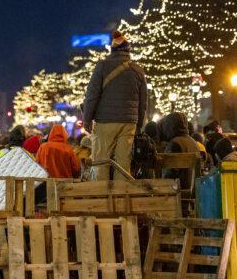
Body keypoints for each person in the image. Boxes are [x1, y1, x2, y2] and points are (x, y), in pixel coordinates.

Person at [82, 30, 147, 180]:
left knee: (101, 162)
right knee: (124, 164)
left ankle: (102, 199)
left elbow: (92, 96)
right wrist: (138, 124)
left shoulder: (102, 66)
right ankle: (121, 199)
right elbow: (143, 102)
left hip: (105, 121)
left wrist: (87, 119)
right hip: (129, 122)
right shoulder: (138, 70)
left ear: (112, 50)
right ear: (128, 50)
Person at [160, 112, 202, 184]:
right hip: (193, 189)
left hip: (179, 189)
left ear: (170, 126)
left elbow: (168, 174)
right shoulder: (194, 142)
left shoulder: (174, 143)